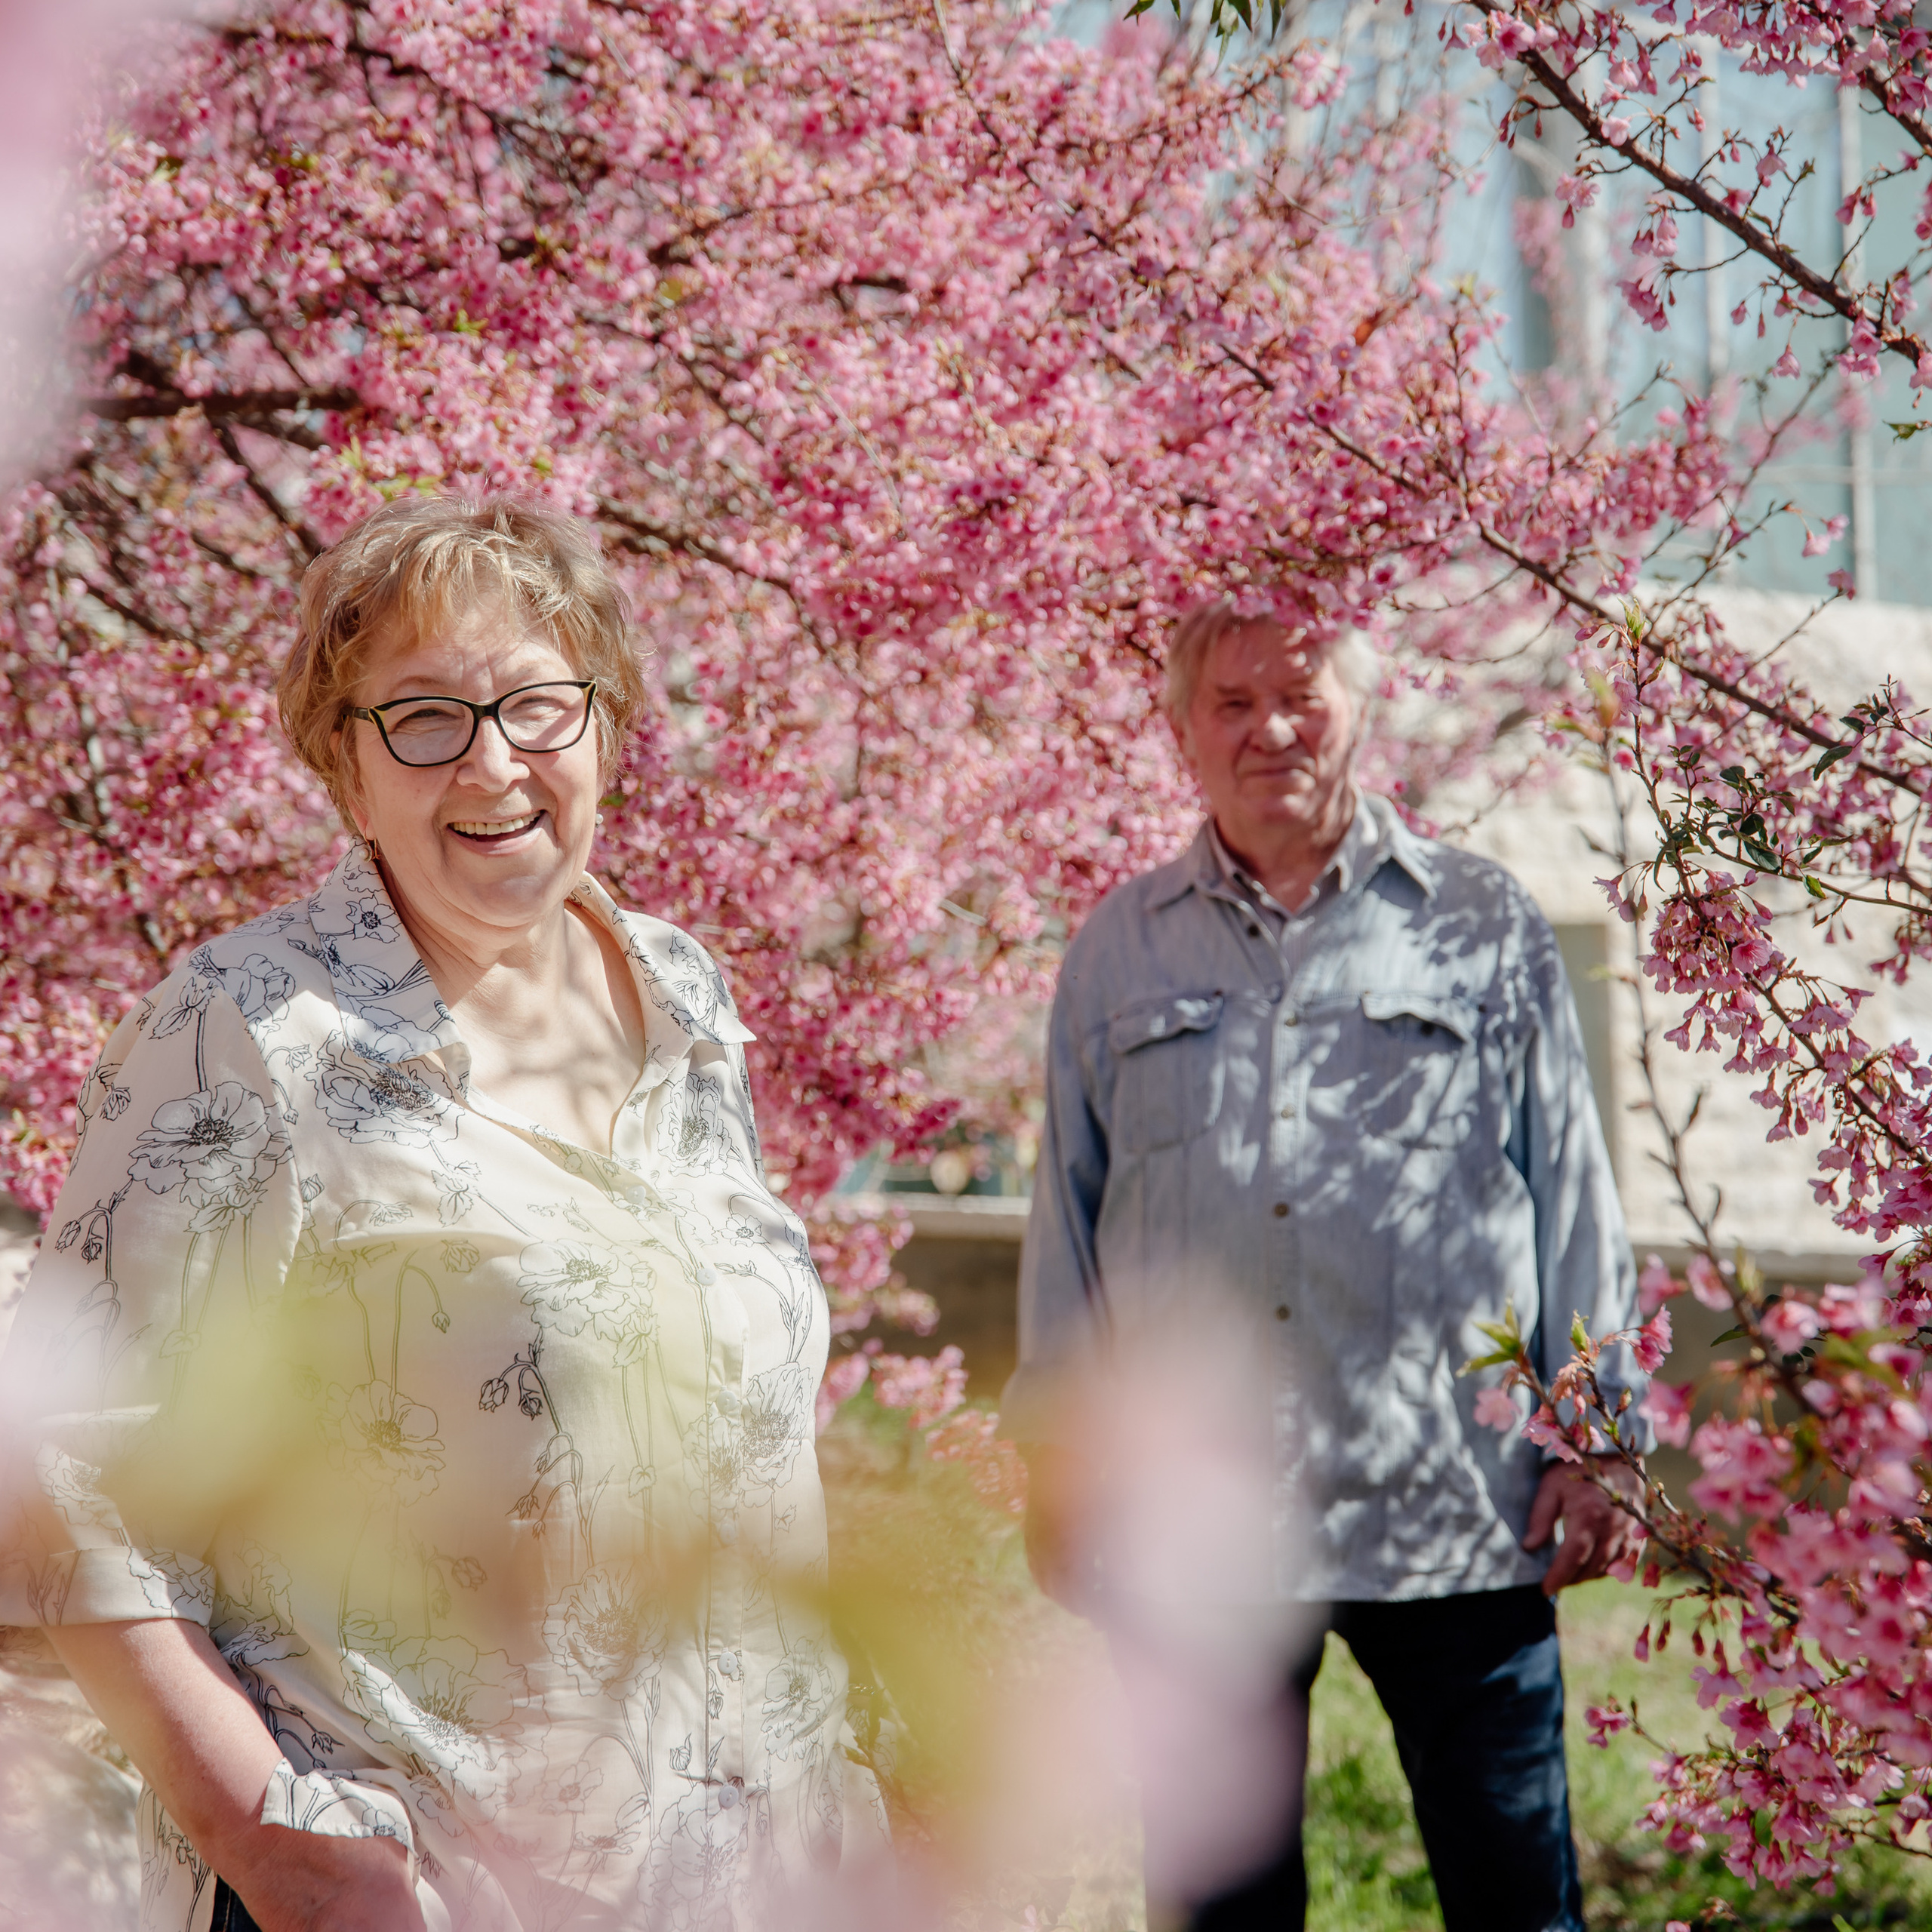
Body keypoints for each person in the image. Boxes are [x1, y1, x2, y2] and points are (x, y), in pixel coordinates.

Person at [0, 496, 884, 1932]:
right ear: (345, 768)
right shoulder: (244, 1029)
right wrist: (288, 1854)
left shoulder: (682, 996)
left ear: (603, 732)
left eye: (539, 705)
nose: (491, 761)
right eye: (422, 717)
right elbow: (66, 1480)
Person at [1003, 601, 1651, 1932]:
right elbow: (1066, 1225)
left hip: (1458, 1505)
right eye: (1232, 704)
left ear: (1362, 711)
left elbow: (1576, 1190)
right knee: (1222, 1910)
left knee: (1517, 1900)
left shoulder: (1483, 924)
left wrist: (1596, 1440)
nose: (1270, 729)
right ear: (1182, 733)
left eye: (1302, 696)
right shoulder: (1118, 949)